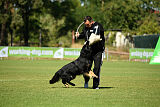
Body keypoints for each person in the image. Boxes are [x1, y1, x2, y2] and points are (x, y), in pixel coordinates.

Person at [75, 16, 105, 89]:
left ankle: (95, 85)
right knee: (86, 67)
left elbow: (96, 36)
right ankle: (86, 81)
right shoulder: (86, 27)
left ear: (92, 21)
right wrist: (78, 36)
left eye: (88, 24)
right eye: (85, 24)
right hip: (88, 51)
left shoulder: (98, 26)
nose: (86, 26)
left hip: (98, 51)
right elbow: (84, 35)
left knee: (97, 68)